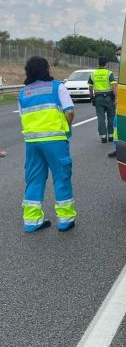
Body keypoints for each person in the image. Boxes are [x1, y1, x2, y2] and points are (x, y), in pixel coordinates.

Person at [18, 56, 76, 232]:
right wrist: (66, 127)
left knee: (34, 179)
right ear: (47, 69)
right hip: (55, 140)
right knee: (61, 177)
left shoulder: (23, 93)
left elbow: (23, 117)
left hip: (32, 143)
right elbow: (70, 111)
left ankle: (31, 221)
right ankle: (65, 219)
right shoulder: (57, 87)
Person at [88, 57, 117, 143]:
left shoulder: (93, 74)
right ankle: (111, 136)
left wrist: (91, 97)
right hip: (109, 98)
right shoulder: (109, 73)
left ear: (99, 63)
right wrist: (116, 97)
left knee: (100, 118)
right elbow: (114, 86)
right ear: (106, 64)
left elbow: (90, 87)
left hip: (98, 98)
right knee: (111, 117)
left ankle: (103, 137)